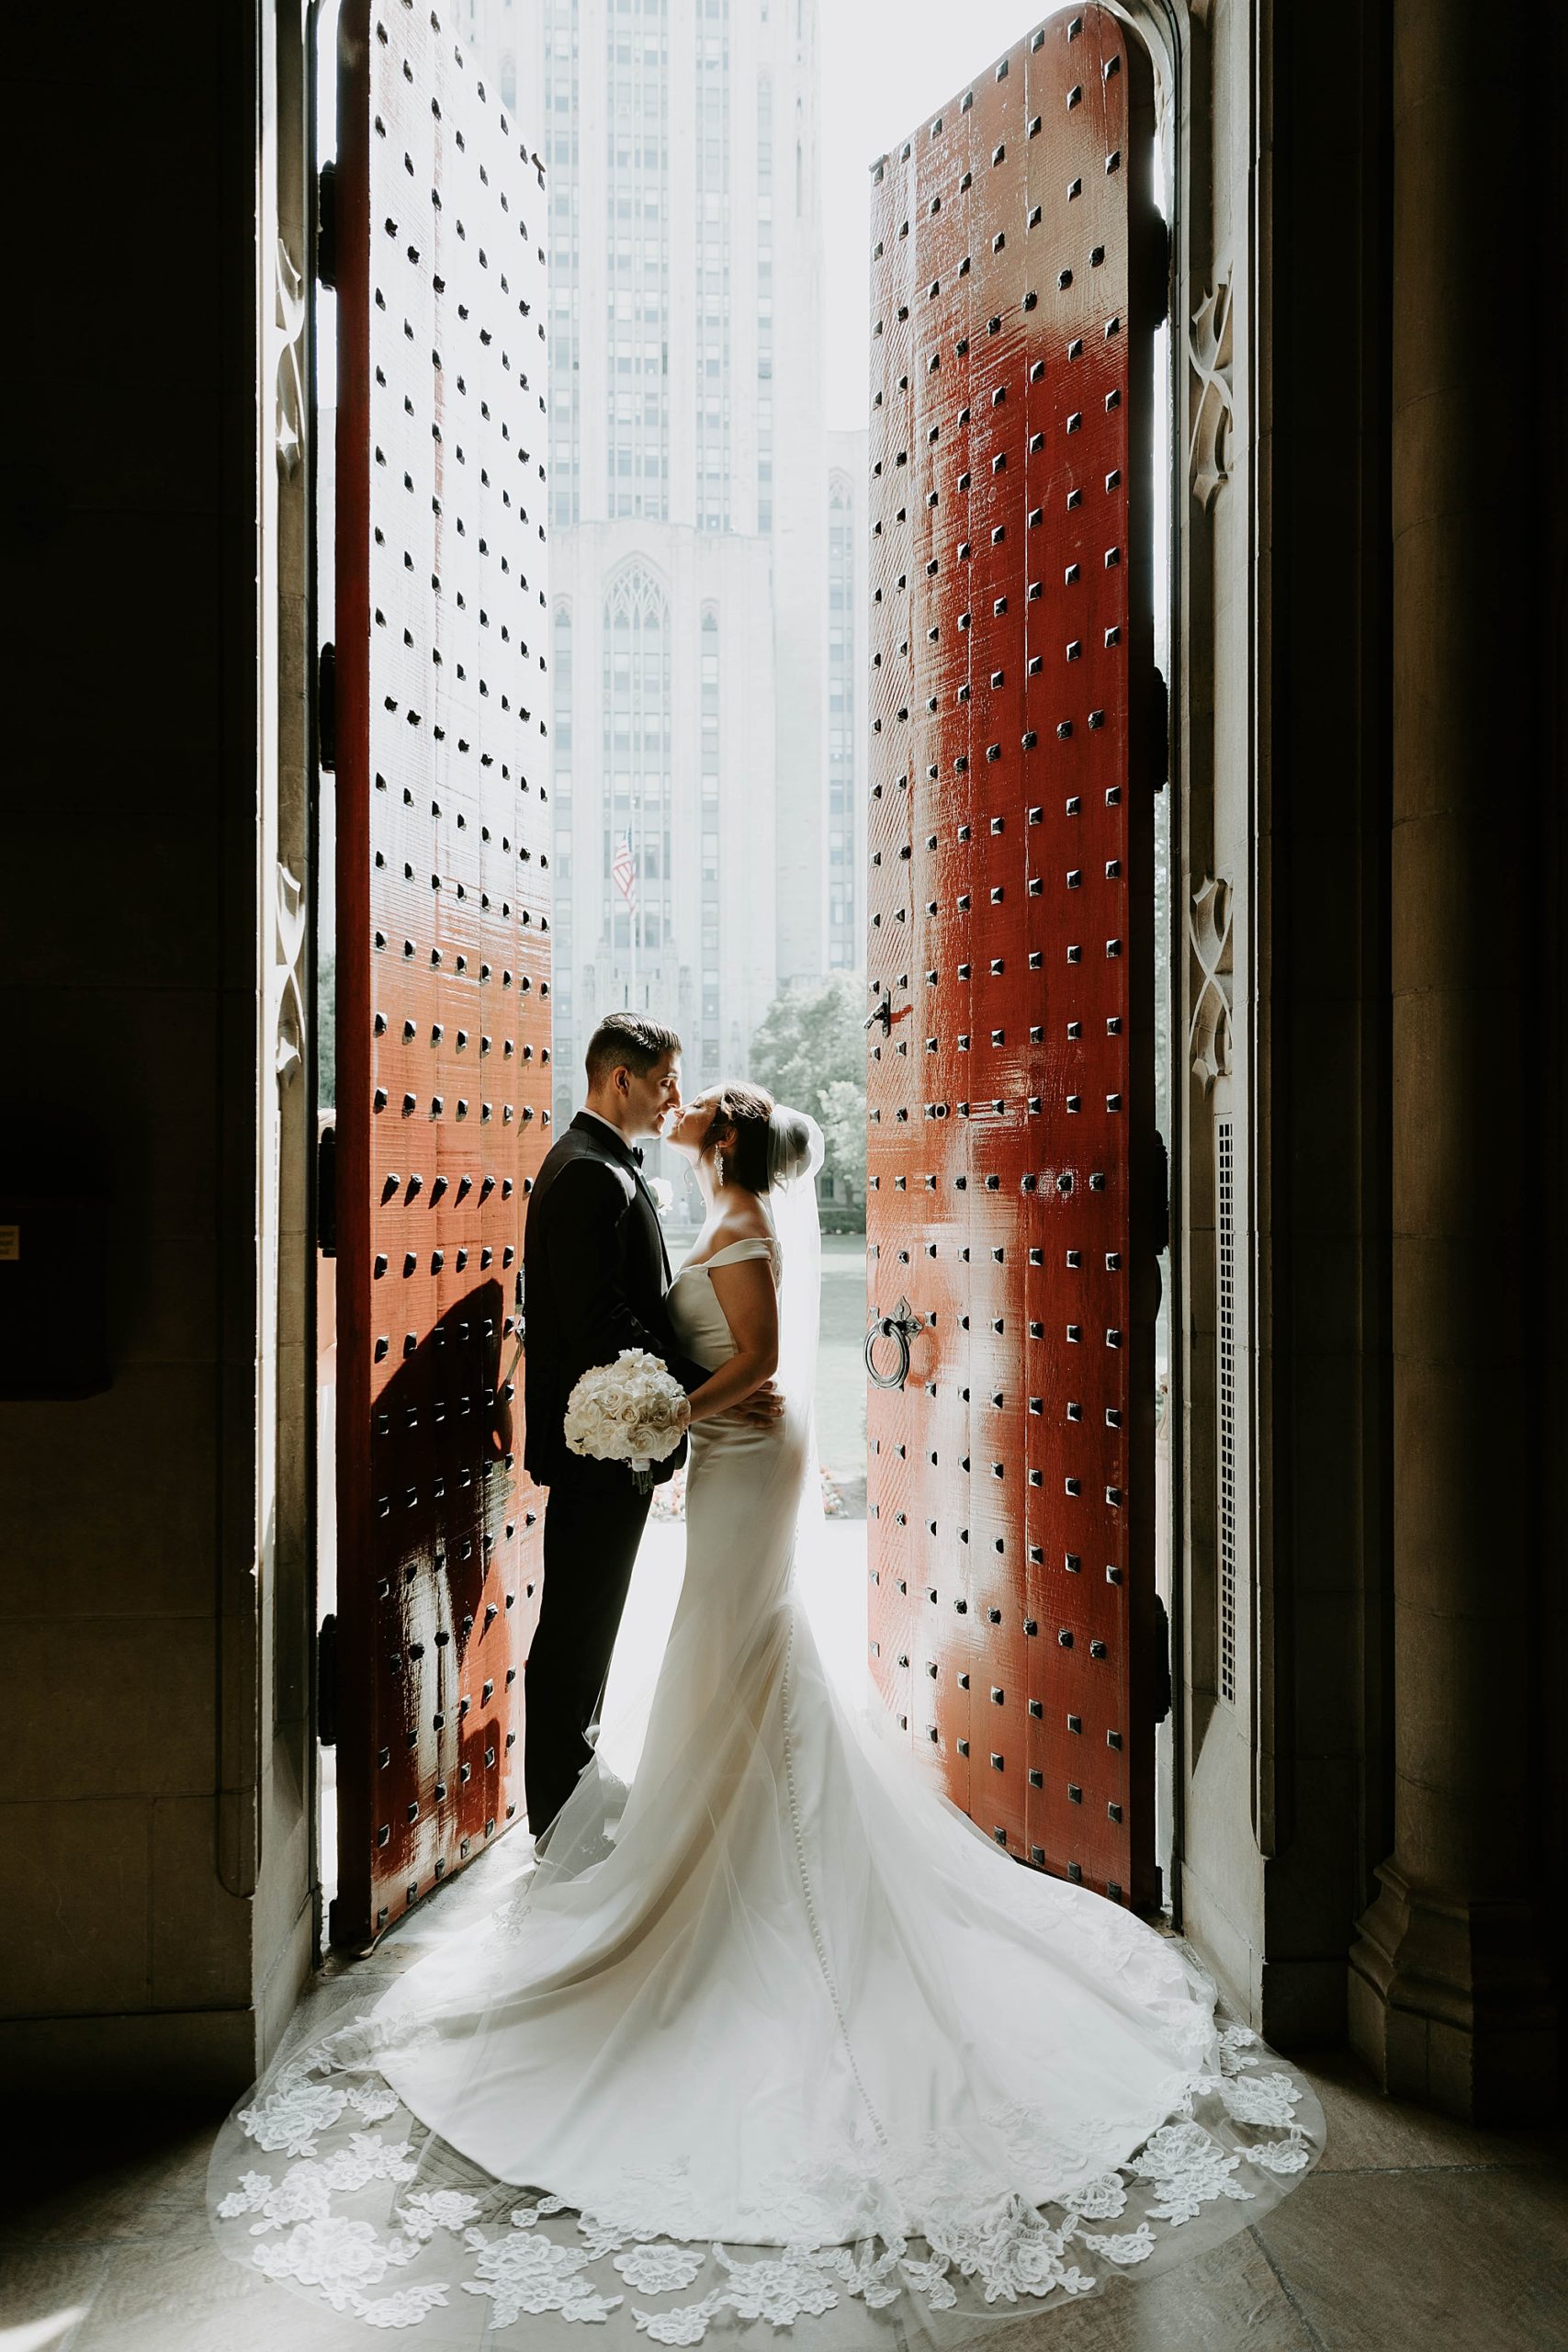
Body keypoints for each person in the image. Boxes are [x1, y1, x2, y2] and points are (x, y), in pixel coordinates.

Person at [212, 1082, 1322, 2344]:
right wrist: (677, 1408)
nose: (686, 1106)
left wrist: (670, 1414)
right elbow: (727, 1359)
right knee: (723, 1644)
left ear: (729, 1139)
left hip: (745, 1457)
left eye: (708, 1106)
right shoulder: (723, 1212)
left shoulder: (740, 1228)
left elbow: (765, 1366)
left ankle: (745, 1856)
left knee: (735, 1639)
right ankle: (720, 1833)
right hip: (734, 1456)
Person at [520, 1013, 780, 1840]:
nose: (674, 1096)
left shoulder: (604, 1166)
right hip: (599, 1446)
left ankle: (572, 1796)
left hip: (617, 1441)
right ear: (620, 1079)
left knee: (590, 1625)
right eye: (666, 1080)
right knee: (576, 1629)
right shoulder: (589, 1173)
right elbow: (603, 1323)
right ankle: (557, 1819)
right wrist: (706, 1391)